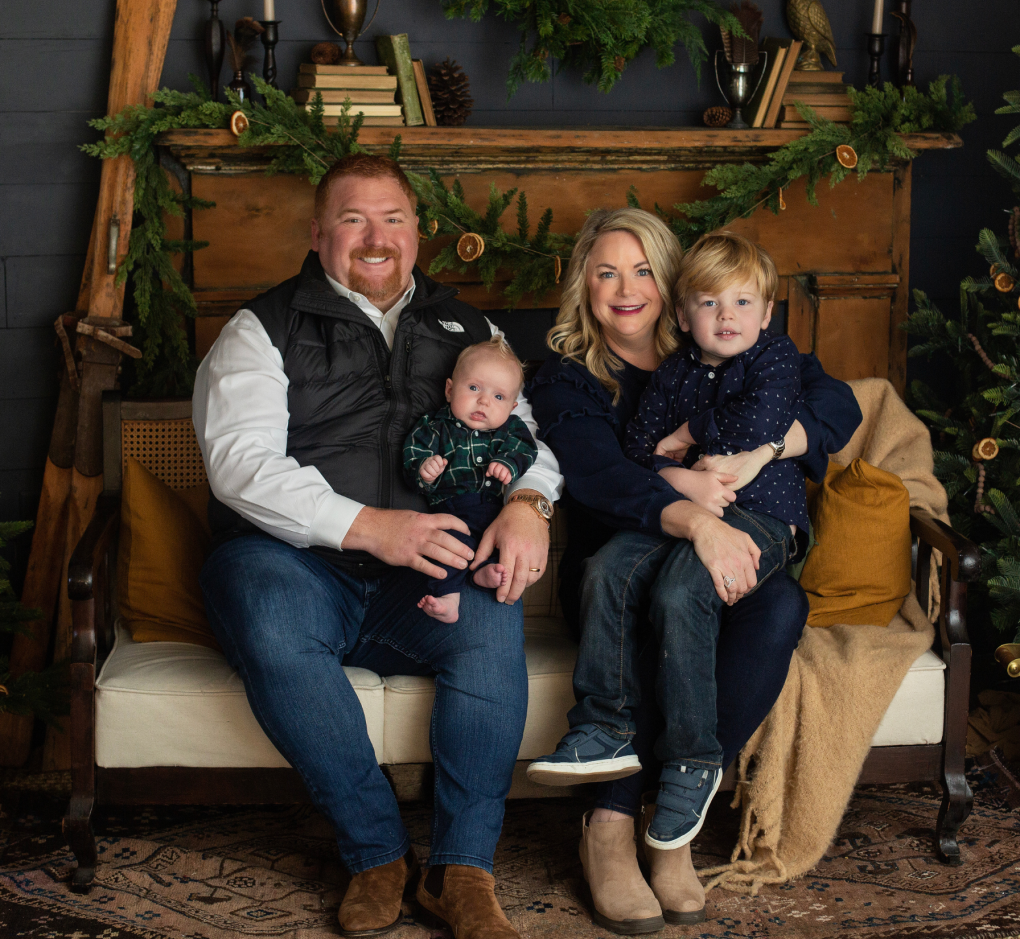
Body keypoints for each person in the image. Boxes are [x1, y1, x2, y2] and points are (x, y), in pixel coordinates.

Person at [193, 153, 562, 939]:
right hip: (292, 564)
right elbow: (238, 464)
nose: (375, 236)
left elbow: (525, 431)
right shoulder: (261, 327)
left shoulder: (470, 327)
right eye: (354, 218)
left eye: (392, 218)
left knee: (492, 610)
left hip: (422, 578)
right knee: (265, 606)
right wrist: (368, 526)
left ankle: (460, 870)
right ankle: (377, 853)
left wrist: (531, 501)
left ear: (418, 233)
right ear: (320, 231)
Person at [525, 208, 861, 935]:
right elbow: (603, 476)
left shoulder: (729, 342)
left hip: (732, 540)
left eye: (643, 268)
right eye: (606, 270)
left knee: (778, 609)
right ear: (582, 283)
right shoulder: (565, 379)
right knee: (646, 603)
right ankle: (610, 821)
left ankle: (673, 814)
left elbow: (833, 401)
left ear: (671, 282)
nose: (625, 287)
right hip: (619, 561)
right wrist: (697, 516)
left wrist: (768, 449)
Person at [404, 337, 538, 622]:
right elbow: (413, 452)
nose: (484, 401)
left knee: (502, 545)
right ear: (450, 389)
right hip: (449, 512)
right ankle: (448, 598)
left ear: (512, 407)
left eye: (498, 397)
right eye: (474, 388)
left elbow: (525, 448)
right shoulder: (435, 426)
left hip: (493, 512)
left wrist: (509, 464)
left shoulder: (509, 429)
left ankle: (484, 573)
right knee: (446, 546)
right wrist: (424, 468)